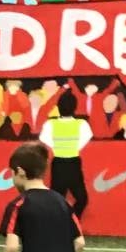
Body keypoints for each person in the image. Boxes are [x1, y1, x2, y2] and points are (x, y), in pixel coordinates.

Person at [39, 86, 92, 217]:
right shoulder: (82, 124)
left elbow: (43, 138)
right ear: (75, 107)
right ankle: (72, 220)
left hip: (59, 163)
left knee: (56, 200)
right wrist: (74, 148)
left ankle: (62, 222)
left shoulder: (50, 124)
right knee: (82, 199)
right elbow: (85, 139)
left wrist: (56, 147)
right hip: (73, 163)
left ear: (58, 107)